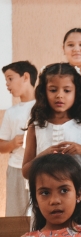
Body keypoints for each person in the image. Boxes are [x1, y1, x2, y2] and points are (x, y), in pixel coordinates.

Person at [22, 63, 81, 178]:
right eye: (53, 90)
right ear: (44, 92)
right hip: (44, 191)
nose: (59, 95)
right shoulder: (36, 126)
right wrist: (43, 155)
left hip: (77, 191)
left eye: (67, 90)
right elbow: (25, 172)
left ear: (76, 92)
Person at [0, 61, 36, 216]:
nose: (7, 84)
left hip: (37, 167)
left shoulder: (43, 107)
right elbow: (1, 146)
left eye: (10, 78)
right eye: (5, 80)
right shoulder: (11, 112)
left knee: (35, 212)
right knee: (15, 214)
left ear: (26, 77)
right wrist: (13, 143)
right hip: (15, 168)